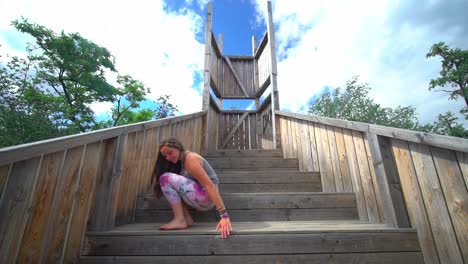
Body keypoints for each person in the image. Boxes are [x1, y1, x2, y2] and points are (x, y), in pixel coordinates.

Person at [151, 137, 232, 239]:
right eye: (165, 156)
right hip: (202, 199)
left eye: (170, 153)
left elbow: (209, 185)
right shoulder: (182, 162)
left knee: (165, 178)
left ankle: (179, 219)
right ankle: (186, 219)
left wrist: (224, 215)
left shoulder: (190, 159)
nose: (168, 157)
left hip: (206, 196)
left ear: (178, 147)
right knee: (173, 184)